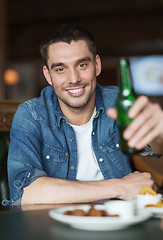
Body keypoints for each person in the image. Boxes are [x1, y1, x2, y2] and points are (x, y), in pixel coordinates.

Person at [4, 24, 163, 206]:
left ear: (96, 65)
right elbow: (26, 193)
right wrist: (119, 187)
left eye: (82, 65)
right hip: (55, 227)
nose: (73, 79)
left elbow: (156, 146)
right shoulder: (30, 115)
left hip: (120, 221)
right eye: (60, 69)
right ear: (48, 75)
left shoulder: (117, 102)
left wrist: (160, 132)